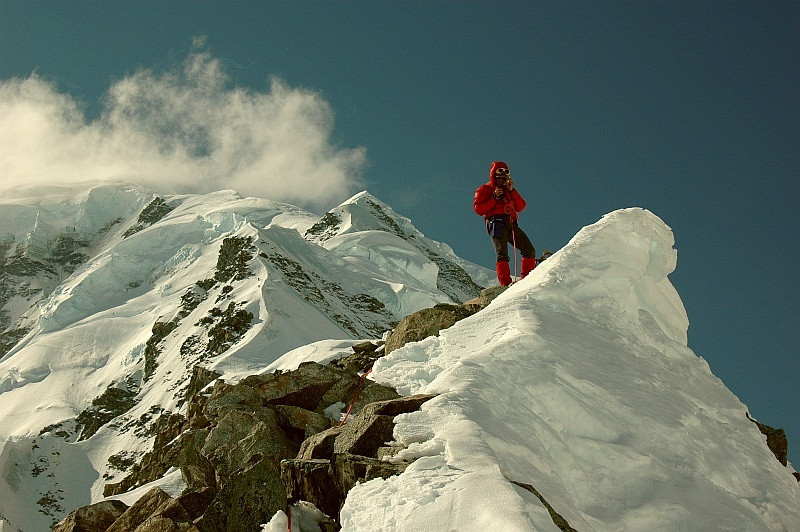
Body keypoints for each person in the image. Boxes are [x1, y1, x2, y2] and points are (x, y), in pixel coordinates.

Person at [473, 161, 537, 286]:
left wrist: (511, 191)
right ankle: (505, 283)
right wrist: (494, 198)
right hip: (495, 221)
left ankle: (526, 279)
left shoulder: (509, 191)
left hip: (510, 223)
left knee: (529, 250)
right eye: (499, 173)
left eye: (505, 174)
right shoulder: (485, 189)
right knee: (502, 253)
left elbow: (521, 206)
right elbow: (478, 209)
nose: (502, 178)